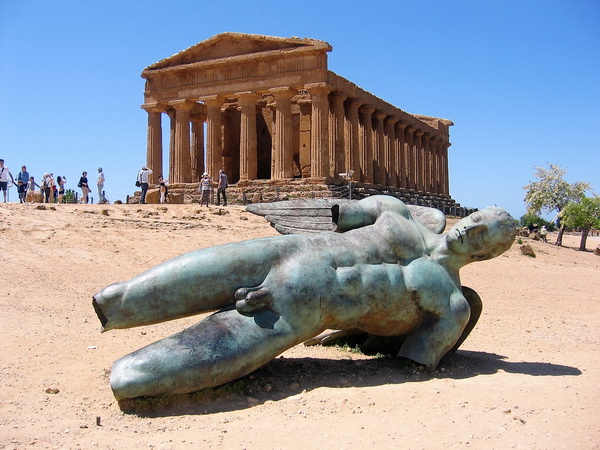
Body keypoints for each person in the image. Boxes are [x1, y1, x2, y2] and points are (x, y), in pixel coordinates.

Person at [93, 195, 518, 399]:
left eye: (485, 236)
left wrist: (367, 335)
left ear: (488, 255)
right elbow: (336, 214)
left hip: (300, 313)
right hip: (287, 252)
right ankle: (112, 310)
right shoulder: (400, 213)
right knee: (122, 297)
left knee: (133, 379)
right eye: (477, 219)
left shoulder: (452, 306)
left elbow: (410, 364)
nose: (472, 229)